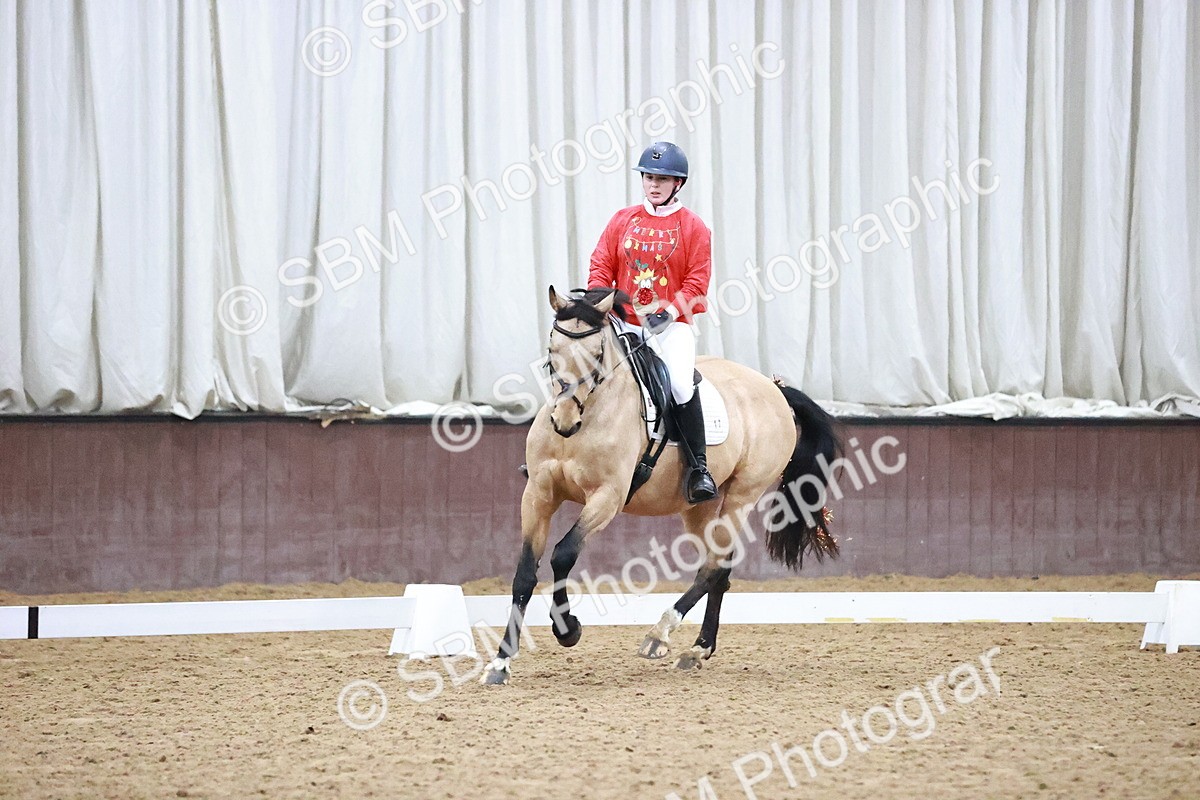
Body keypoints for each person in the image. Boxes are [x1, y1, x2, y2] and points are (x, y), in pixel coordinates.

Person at [587, 141, 717, 504]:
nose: (653, 184)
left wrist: (671, 312)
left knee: (678, 384)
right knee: (579, 364)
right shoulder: (622, 220)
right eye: (648, 177)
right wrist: (601, 298)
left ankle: (698, 469)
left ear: (678, 183)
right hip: (622, 322)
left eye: (662, 178)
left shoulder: (694, 228)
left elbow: (697, 283)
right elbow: (601, 264)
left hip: (670, 327)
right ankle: (553, 452)